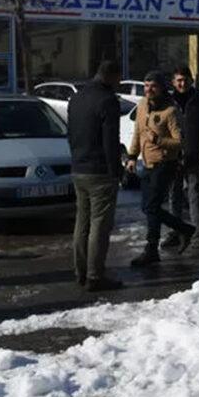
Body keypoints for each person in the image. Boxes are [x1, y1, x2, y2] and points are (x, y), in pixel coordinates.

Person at [126, 71, 196, 267]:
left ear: (162, 88)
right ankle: (176, 234)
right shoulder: (141, 106)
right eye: (146, 86)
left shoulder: (171, 111)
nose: (148, 90)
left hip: (164, 164)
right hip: (146, 163)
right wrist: (132, 156)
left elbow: (180, 141)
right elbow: (138, 133)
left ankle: (153, 246)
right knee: (149, 208)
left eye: (153, 86)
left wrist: (159, 140)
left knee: (151, 207)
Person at [66, 61, 124, 292]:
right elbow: (111, 140)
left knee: (82, 222)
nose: (119, 83)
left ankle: (80, 271)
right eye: (119, 78)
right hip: (100, 172)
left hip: (79, 168)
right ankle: (95, 275)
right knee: (99, 225)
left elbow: (70, 133)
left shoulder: (77, 98)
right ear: (111, 76)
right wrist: (116, 171)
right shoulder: (107, 101)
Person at [164, 66, 199, 252]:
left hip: (193, 156)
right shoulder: (167, 102)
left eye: (185, 80)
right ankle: (176, 231)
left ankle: (197, 233)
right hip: (172, 156)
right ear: (173, 82)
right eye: (178, 80)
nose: (182, 83)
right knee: (173, 195)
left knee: (194, 194)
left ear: (191, 80)